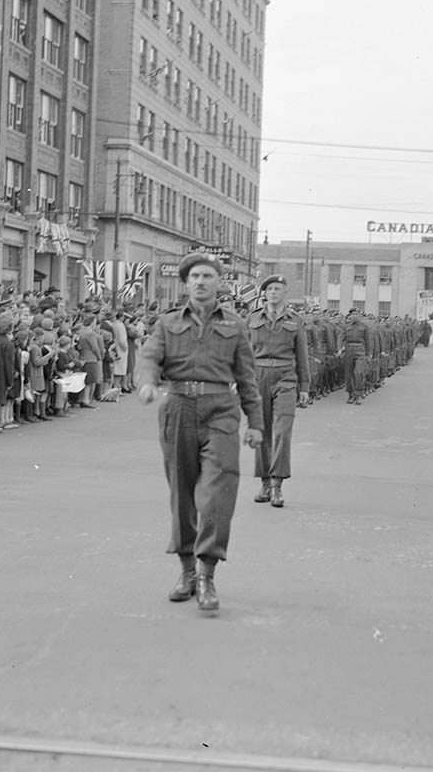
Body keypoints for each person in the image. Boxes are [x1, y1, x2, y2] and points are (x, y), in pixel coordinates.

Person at [136, 253, 263, 613]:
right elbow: (149, 358)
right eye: (194, 276)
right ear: (186, 283)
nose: (201, 282)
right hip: (178, 410)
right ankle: (187, 571)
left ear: (219, 282)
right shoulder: (166, 323)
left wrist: (255, 423)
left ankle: (207, 574)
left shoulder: (236, 325)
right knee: (183, 495)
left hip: (221, 411)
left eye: (208, 275)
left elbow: (247, 378)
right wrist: (146, 384)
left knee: (216, 494)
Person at [246, 274, 310, 508]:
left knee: (283, 431)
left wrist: (304, 387)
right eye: (270, 289)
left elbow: (301, 355)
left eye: (278, 289)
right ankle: (264, 483)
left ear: (285, 293)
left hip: (285, 378)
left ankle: (277, 485)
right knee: (261, 431)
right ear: (265, 293)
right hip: (258, 377)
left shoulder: (295, 320)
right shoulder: (252, 318)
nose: (273, 292)